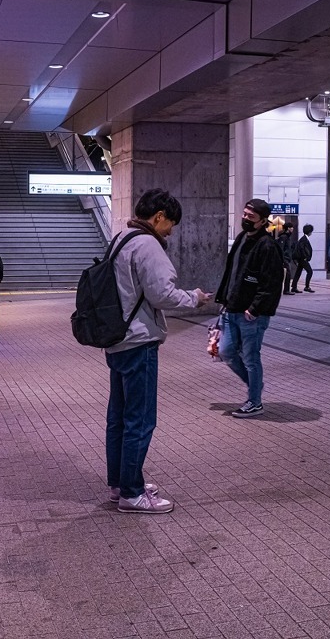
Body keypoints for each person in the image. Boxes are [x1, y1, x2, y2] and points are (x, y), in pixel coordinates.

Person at [105, 189, 211, 514]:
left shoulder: (120, 238)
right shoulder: (147, 244)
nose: (170, 232)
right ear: (159, 216)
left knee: (119, 418)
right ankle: (132, 494)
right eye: (170, 224)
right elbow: (162, 294)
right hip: (139, 342)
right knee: (140, 419)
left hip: (117, 339)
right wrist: (193, 297)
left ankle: (120, 484)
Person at [215, 198, 284, 418]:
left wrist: (254, 308)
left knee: (251, 357)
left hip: (251, 315)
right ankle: (255, 385)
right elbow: (232, 273)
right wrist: (224, 300)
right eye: (244, 214)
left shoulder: (267, 246)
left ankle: (255, 401)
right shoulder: (242, 238)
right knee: (226, 351)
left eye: (250, 216)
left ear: (263, 221)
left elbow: (271, 283)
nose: (245, 218)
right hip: (232, 308)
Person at [291, 224, 315, 293]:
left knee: (298, 272)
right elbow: (302, 248)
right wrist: (305, 257)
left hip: (301, 258)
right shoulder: (304, 239)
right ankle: (307, 287)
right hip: (302, 259)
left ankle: (294, 287)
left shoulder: (304, 238)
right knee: (310, 271)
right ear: (309, 231)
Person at [278, 222, 297, 295]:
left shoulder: (287, 237)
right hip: (285, 259)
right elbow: (281, 248)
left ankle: (286, 289)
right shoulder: (284, 237)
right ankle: (286, 290)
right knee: (287, 275)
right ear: (288, 228)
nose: (292, 229)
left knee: (288, 275)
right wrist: (283, 259)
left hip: (287, 258)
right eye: (291, 227)